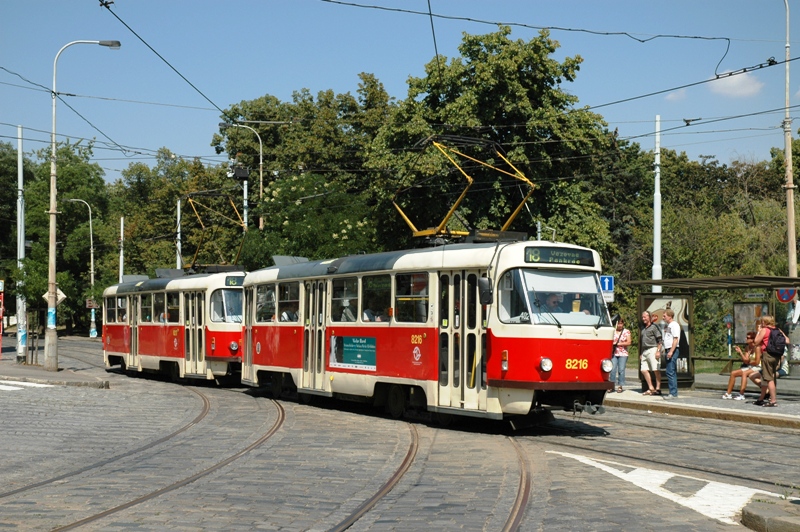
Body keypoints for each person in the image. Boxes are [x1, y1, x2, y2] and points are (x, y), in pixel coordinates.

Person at [752, 315, 788, 407]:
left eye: (762, 321)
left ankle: (773, 401)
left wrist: (759, 331)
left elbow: (756, 342)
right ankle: (761, 398)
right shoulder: (778, 330)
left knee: (769, 379)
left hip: (767, 355)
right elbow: (787, 341)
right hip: (776, 356)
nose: (761, 323)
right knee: (766, 377)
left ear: (765, 322)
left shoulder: (765, 330)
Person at [722, 331, 759, 400]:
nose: (746, 339)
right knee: (733, 373)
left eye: (748, 338)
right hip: (750, 366)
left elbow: (757, 362)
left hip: (758, 367)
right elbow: (746, 360)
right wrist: (740, 352)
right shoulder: (747, 348)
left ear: (752, 339)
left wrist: (749, 362)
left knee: (745, 373)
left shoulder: (757, 348)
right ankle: (728, 393)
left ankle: (741, 394)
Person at [640, 310, 662, 395]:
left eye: (645, 317)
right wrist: (642, 353)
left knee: (656, 369)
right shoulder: (643, 328)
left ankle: (658, 388)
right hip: (645, 351)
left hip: (653, 349)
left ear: (649, 317)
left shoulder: (654, 327)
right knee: (643, 370)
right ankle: (651, 387)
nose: (643, 319)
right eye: (642, 317)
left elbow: (659, 340)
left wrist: (658, 351)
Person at [662, 308, 681, 399]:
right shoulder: (669, 325)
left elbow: (675, 339)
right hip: (668, 349)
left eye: (664, 316)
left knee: (670, 371)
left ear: (670, 316)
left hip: (672, 349)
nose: (663, 318)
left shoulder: (674, 325)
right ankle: (673, 392)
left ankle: (673, 393)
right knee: (670, 371)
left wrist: (671, 351)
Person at [610, 317, 631, 393]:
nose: (620, 325)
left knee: (621, 369)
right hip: (614, 353)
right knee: (612, 369)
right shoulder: (612, 331)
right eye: (618, 323)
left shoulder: (626, 332)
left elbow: (629, 342)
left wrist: (619, 344)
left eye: (621, 323)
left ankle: (620, 386)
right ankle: (611, 385)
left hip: (623, 353)